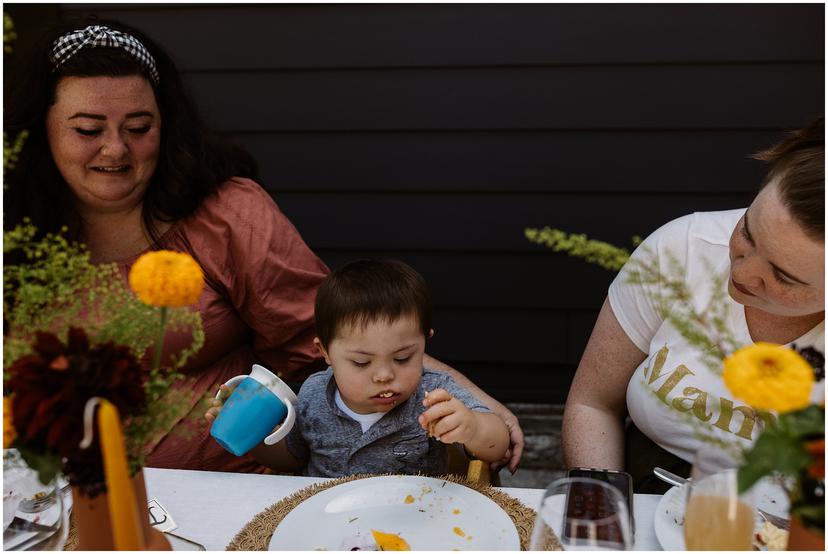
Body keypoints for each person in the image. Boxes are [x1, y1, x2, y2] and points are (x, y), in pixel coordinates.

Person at [5, 18, 524, 473]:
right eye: (88, 129)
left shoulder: (225, 215)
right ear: (40, 131)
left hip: (224, 486)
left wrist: (479, 408)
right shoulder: (16, 235)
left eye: (139, 127)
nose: (115, 148)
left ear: (165, 126)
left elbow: (339, 334)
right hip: (52, 489)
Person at [562, 118, 825, 493]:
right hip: (644, 489)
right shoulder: (682, 249)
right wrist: (605, 510)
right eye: (747, 231)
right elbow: (592, 404)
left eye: (785, 277)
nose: (743, 272)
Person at [205, 259, 510, 476]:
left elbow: (497, 445)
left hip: (413, 522)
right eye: (361, 362)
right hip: (326, 525)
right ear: (324, 352)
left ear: (424, 343)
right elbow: (291, 461)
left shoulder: (434, 393)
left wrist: (472, 426)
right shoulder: (313, 394)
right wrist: (256, 437)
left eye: (403, 358)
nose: (384, 375)